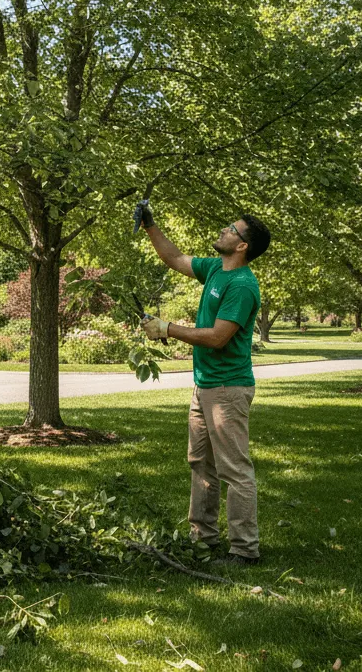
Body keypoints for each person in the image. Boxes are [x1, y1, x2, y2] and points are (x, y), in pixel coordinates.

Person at [135, 202, 271, 566]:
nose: (225, 230)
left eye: (232, 229)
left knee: (234, 469)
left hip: (227, 388)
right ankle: (204, 538)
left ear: (242, 246)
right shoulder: (215, 269)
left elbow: (218, 337)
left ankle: (244, 550)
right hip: (205, 386)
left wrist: (167, 329)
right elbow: (175, 258)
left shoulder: (242, 285)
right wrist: (150, 225)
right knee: (201, 463)